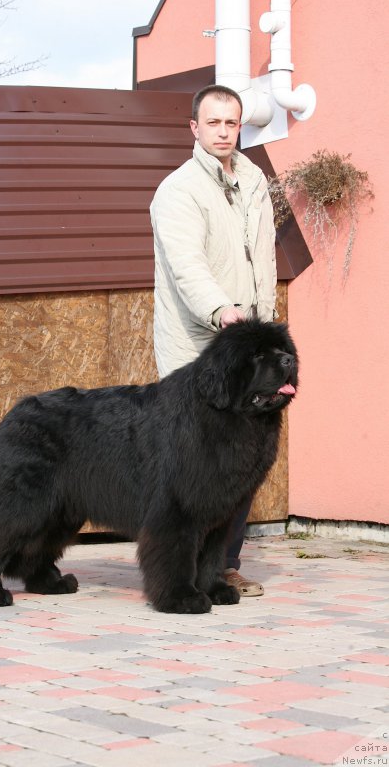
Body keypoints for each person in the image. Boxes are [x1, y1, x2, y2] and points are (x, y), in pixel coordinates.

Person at [150, 83, 278, 597]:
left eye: (232, 122)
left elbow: (263, 257)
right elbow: (187, 265)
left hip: (249, 344)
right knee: (196, 466)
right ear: (195, 128)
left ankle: (223, 565)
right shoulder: (178, 190)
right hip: (198, 345)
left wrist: (264, 322)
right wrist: (219, 309)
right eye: (214, 122)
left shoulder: (253, 180)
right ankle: (182, 569)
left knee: (245, 454)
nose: (224, 131)